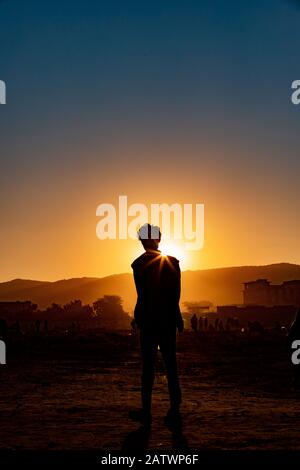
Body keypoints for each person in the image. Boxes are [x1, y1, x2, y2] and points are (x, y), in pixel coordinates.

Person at [130, 223, 184, 427]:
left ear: (144, 241)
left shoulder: (138, 264)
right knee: (170, 364)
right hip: (167, 318)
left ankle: (146, 411)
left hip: (148, 319)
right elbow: (175, 294)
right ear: (158, 239)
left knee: (148, 367)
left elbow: (142, 295)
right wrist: (177, 317)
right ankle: (175, 408)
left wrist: (138, 316)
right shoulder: (172, 262)